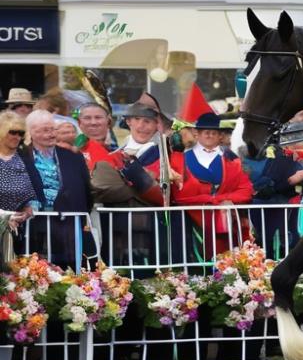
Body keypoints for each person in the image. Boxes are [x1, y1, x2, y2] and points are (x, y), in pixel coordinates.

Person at [91, 101, 179, 268]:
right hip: (117, 229)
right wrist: (139, 185)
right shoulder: (113, 155)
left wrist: (132, 182)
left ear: (157, 125)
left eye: (148, 121)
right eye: (137, 119)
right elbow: (100, 189)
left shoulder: (168, 155)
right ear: (128, 121)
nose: (141, 125)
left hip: (156, 230)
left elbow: (170, 193)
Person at [170, 112, 253, 259]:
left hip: (226, 223)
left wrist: (221, 199)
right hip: (192, 222)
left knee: (228, 262)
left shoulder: (233, 160)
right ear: (197, 134)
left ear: (220, 136)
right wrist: (215, 200)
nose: (209, 135)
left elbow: (246, 191)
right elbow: (179, 195)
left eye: (213, 132)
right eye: (205, 132)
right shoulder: (181, 159)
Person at [20, 110, 94, 269]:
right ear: (31, 132)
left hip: (67, 224)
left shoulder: (73, 156)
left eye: (53, 129)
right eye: (45, 130)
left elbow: (87, 191)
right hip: (33, 224)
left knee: (70, 270)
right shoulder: (20, 157)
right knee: (34, 268)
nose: (51, 134)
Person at [0, 111, 37, 243]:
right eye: (12, 132)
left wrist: (28, 209)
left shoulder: (25, 155)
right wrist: (4, 217)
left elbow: (36, 188)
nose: (17, 137)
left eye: (20, 133)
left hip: (20, 227)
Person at [76, 102, 116, 171]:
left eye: (98, 117)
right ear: (79, 123)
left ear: (108, 121)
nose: (93, 122)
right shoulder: (70, 150)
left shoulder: (121, 152)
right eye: (87, 118)